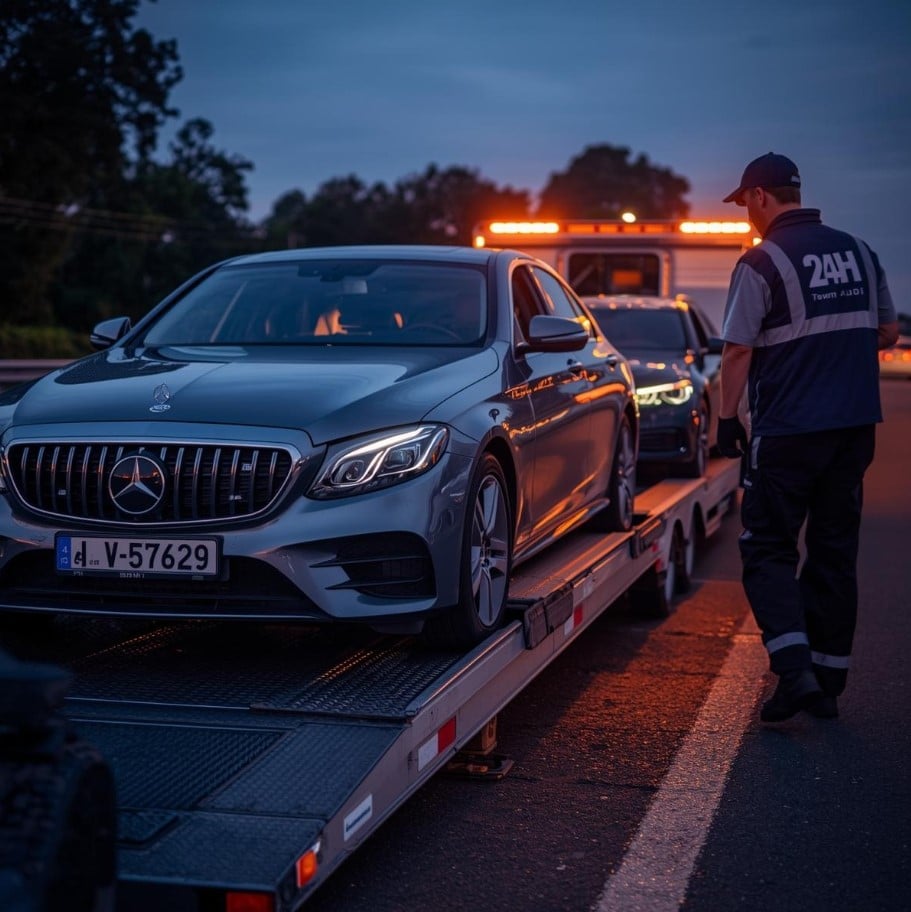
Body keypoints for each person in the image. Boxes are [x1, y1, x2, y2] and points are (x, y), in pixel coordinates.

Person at [716, 152, 899, 723]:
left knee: (767, 546)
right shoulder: (861, 253)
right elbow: (887, 329)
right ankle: (828, 679)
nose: (746, 213)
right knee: (833, 551)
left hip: (791, 429)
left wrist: (727, 420)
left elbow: (739, 349)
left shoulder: (762, 262)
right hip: (853, 429)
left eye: (745, 202)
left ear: (761, 197)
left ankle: (794, 674)